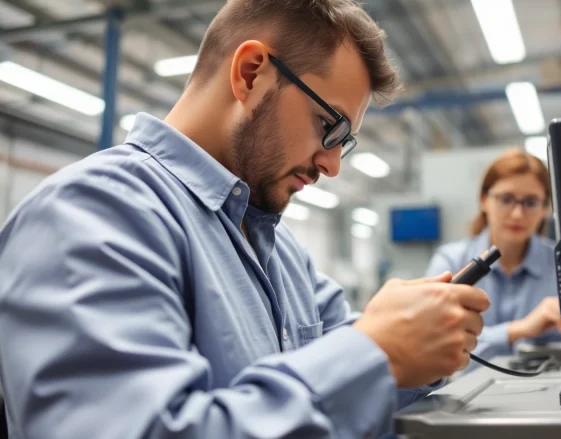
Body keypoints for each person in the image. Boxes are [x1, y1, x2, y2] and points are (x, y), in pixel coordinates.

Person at [0, 1, 491, 438]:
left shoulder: (281, 250)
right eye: (329, 125)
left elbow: (344, 382)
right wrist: (376, 353)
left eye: (343, 142)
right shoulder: (91, 214)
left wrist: (417, 347)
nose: (332, 165)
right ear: (252, 73)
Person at [426, 149, 561, 362]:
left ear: (545, 208)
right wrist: (518, 330)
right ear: (483, 200)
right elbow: (433, 341)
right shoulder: (451, 262)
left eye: (530, 202)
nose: (517, 214)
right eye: (506, 199)